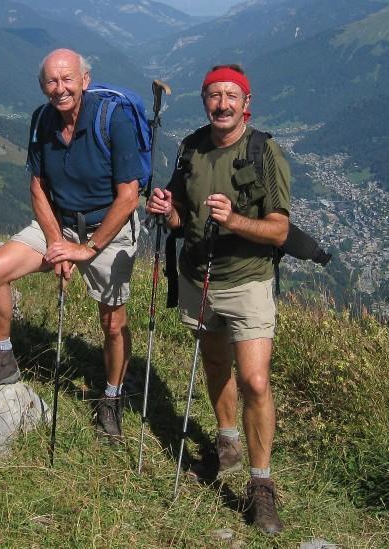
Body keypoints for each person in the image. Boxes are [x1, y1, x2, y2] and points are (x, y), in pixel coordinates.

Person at [0, 48, 143, 442]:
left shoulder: (115, 119)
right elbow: (37, 186)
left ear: (85, 80)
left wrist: (87, 249)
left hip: (107, 227)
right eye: (52, 82)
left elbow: (129, 196)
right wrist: (57, 243)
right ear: (43, 87)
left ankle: (112, 396)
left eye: (67, 80)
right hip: (58, 223)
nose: (60, 89)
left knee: (112, 323)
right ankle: (1, 358)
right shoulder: (42, 121)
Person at [146, 64, 289, 535]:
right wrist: (168, 211)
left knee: (255, 379)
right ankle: (227, 441)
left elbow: (279, 230)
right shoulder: (191, 147)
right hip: (198, 275)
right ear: (205, 101)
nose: (222, 104)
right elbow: (181, 217)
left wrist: (234, 222)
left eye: (231, 96)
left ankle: (261, 486)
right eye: (214, 95)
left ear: (247, 103)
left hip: (247, 280)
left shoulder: (263, 151)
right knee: (213, 365)